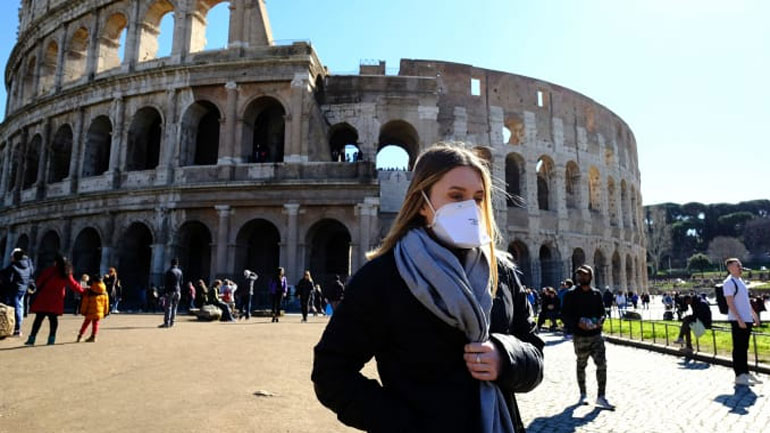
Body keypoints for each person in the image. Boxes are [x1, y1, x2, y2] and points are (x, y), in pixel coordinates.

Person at [312, 145, 544, 432]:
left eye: (478, 198)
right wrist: (403, 424)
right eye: (456, 196)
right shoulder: (383, 277)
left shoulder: (502, 272)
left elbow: (534, 354)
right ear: (422, 203)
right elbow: (331, 372)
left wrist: (504, 356)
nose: (470, 208)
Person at [561, 265, 614, 409]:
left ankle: (601, 396)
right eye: (580, 275)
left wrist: (600, 321)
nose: (582, 277)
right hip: (580, 336)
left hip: (596, 336)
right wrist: (577, 323)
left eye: (584, 274)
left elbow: (602, 312)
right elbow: (564, 315)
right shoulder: (571, 295)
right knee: (581, 365)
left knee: (602, 365)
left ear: (590, 276)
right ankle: (583, 394)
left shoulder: (596, 294)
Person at [25, 254, 83, 346]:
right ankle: (51, 339)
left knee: (38, 319)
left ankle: (32, 338)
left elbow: (39, 282)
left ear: (55, 262)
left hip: (44, 297)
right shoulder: (66, 273)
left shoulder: (49, 271)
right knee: (53, 320)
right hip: (56, 299)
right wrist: (84, 291)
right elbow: (74, 285)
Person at [723, 258, 762, 386]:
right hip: (737, 319)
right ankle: (739, 375)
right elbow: (730, 303)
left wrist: (754, 315)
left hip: (746, 318)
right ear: (730, 268)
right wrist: (739, 319)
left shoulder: (740, 281)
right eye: (737, 265)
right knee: (739, 347)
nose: (740, 267)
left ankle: (745, 372)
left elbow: (745, 301)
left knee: (744, 347)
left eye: (740, 265)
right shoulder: (729, 282)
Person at [1, 248, 34, 337]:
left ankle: (16, 329)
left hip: (14, 289)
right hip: (23, 288)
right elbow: (30, 276)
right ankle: (18, 328)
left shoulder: (14, 266)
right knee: (20, 307)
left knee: (15, 308)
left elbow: (8, 279)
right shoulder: (28, 265)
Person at [77, 275, 109, 343]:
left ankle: (80, 336)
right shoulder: (104, 292)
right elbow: (106, 304)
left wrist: (83, 311)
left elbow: (85, 303)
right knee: (96, 324)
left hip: (90, 311)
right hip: (99, 311)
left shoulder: (90, 291)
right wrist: (106, 312)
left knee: (85, 324)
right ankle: (93, 337)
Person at [160, 258, 183, 328]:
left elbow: (166, 283)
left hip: (170, 291)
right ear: (177, 263)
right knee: (175, 307)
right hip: (178, 291)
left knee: (168, 307)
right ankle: (172, 322)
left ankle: (167, 322)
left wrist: (165, 292)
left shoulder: (169, 271)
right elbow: (181, 282)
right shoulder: (180, 272)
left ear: (171, 263)